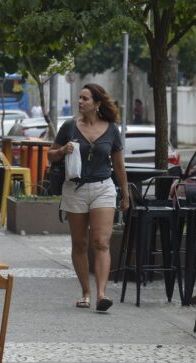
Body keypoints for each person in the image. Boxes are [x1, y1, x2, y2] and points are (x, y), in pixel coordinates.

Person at [47, 83, 129, 312]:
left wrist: (125, 193)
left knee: (101, 242)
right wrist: (62, 151)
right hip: (75, 189)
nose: (80, 102)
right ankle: (85, 291)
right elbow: (50, 155)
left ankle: (102, 294)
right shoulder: (70, 126)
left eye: (85, 98)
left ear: (97, 103)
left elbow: (119, 165)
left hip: (103, 187)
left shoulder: (112, 129)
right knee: (80, 243)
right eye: (79, 98)